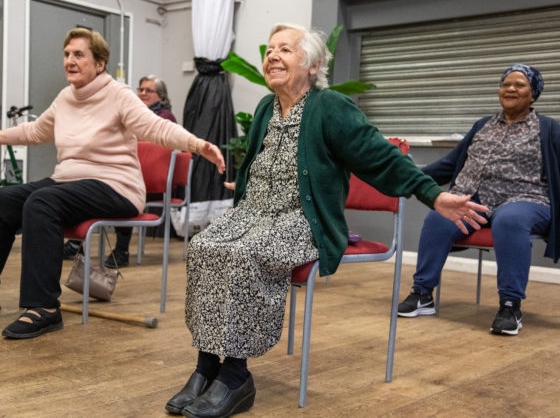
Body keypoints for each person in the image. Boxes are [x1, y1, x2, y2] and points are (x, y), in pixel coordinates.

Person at [164, 23, 487, 418]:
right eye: (270, 50)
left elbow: (379, 157)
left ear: (313, 64)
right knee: (204, 246)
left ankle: (235, 376)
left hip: (302, 220)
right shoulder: (267, 108)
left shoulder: (331, 107)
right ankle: (206, 367)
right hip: (253, 213)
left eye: (286, 50)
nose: (272, 56)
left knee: (243, 253)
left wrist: (432, 194)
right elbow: (256, 163)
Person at [0, 28, 225, 340]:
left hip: (115, 185)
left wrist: (196, 144)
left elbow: (155, 127)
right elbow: (36, 131)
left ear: (100, 63)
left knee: (42, 202)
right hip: (69, 183)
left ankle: (44, 308)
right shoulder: (66, 98)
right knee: (5, 200)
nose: (70, 60)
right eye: (67, 54)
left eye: (79, 54)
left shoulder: (118, 95)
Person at [397, 64, 559, 336]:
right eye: (506, 84)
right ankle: (422, 293)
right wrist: (409, 178)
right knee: (440, 216)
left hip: (526, 199)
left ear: (533, 94)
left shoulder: (549, 129)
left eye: (519, 85)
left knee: (510, 220)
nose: (510, 89)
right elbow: (450, 164)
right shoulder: (483, 125)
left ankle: (510, 305)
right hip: (474, 199)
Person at [63, 74, 179, 268]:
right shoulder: (132, 112)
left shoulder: (165, 117)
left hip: (149, 179)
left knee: (117, 190)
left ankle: (120, 250)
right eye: (140, 89)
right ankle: (76, 243)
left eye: (148, 90)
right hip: (128, 174)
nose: (142, 93)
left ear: (161, 95)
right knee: (88, 185)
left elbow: (151, 148)